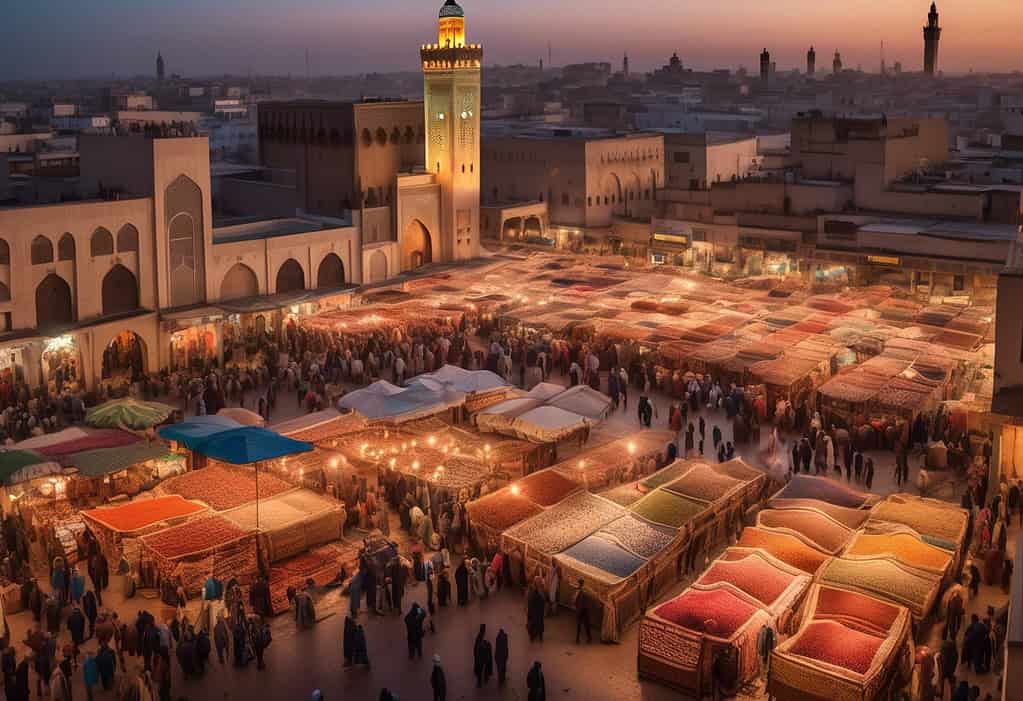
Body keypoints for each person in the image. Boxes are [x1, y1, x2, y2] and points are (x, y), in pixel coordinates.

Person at [574, 579, 592, 644]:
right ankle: (588, 638)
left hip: (581, 609)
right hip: (585, 609)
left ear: (579, 583)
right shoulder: (586, 590)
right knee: (586, 624)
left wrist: (576, 606)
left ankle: (578, 638)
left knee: (580, 624)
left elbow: (574, 600)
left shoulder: (579, 590)